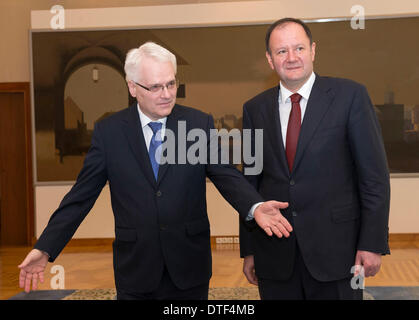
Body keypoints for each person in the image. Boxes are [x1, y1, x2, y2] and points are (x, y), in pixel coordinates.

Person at [18, 42, 291, 300]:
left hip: (189, 265)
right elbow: (80, 197)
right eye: (156, 87)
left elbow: (225, 174)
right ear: (132, 87)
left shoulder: (197, 123)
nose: (167, 93)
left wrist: (254, 206)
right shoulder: (110, 132)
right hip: (136, 268)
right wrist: (45, 247)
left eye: (171, 83)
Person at [240, 18, 390, 300]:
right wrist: (249, 249)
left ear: (313, 50)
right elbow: (251, 183)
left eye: (298, 48)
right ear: (270, 60)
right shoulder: (254, 109)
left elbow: (373, 177)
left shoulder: (350, 96)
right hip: (275, 254)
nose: (292, 57)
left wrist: (372, 242)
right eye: (281, 51)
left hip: (338, 253)